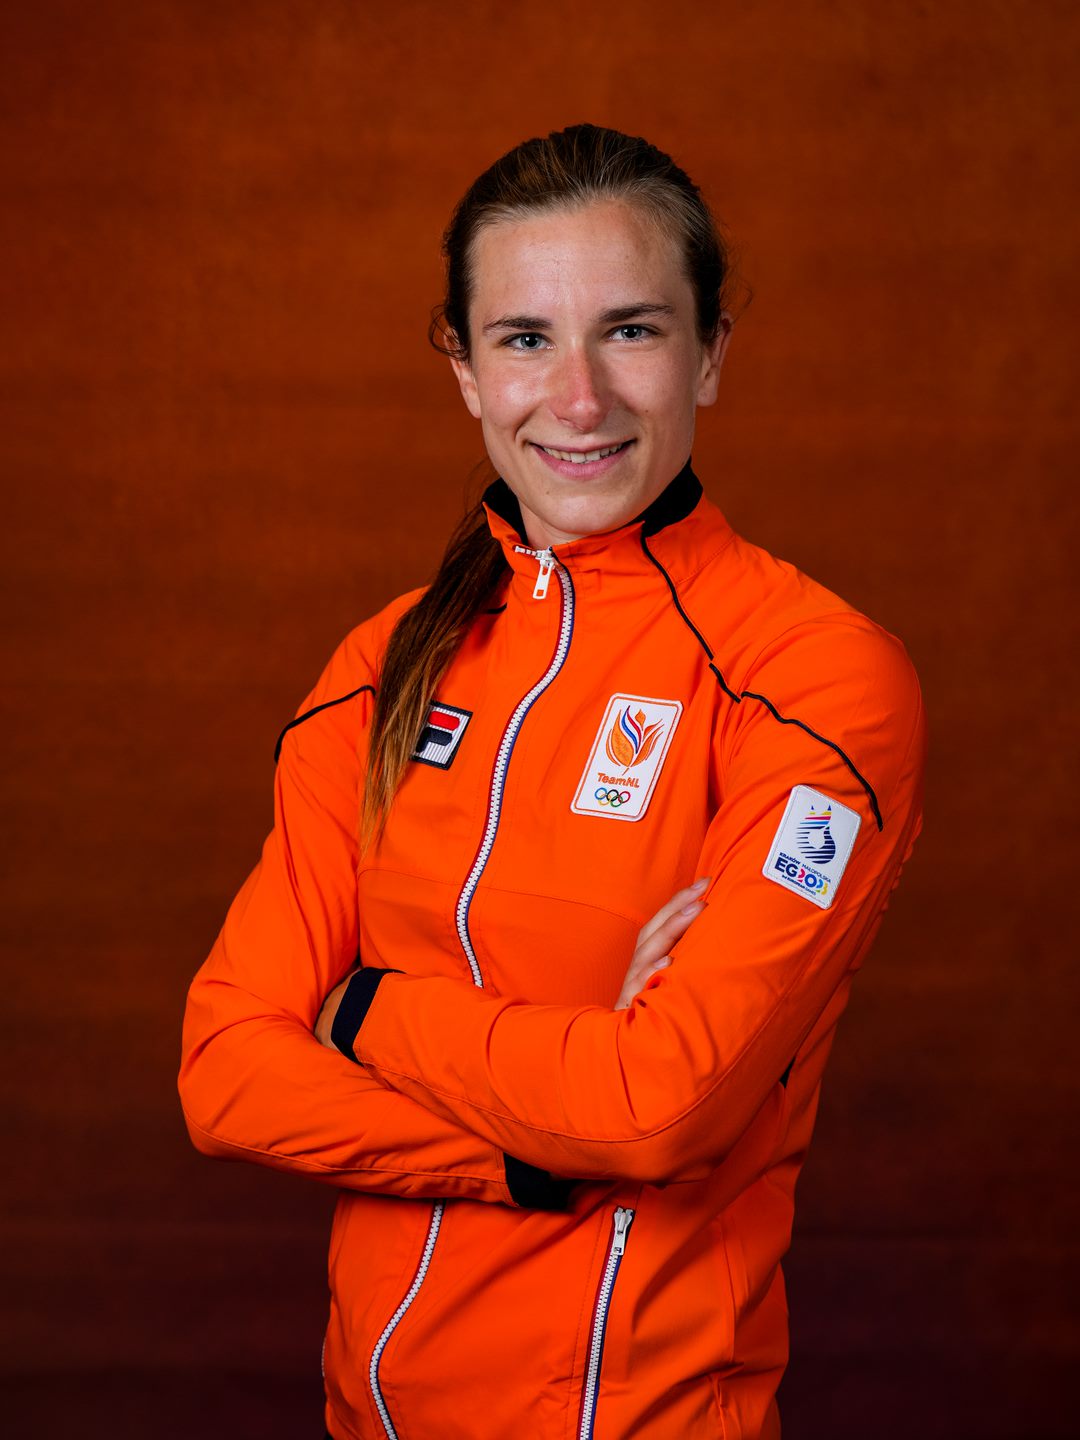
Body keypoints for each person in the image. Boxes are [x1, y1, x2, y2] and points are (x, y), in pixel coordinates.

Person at [179, 124, 925, 1440]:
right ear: (465, 372)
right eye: (525, 339)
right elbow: (229, 1072)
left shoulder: (811, 679)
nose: (580, 400)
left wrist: (363, 1011)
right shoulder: (380, 670)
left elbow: (658, 1105)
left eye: (631, 331)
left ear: (711, 352)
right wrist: (532, 1155)